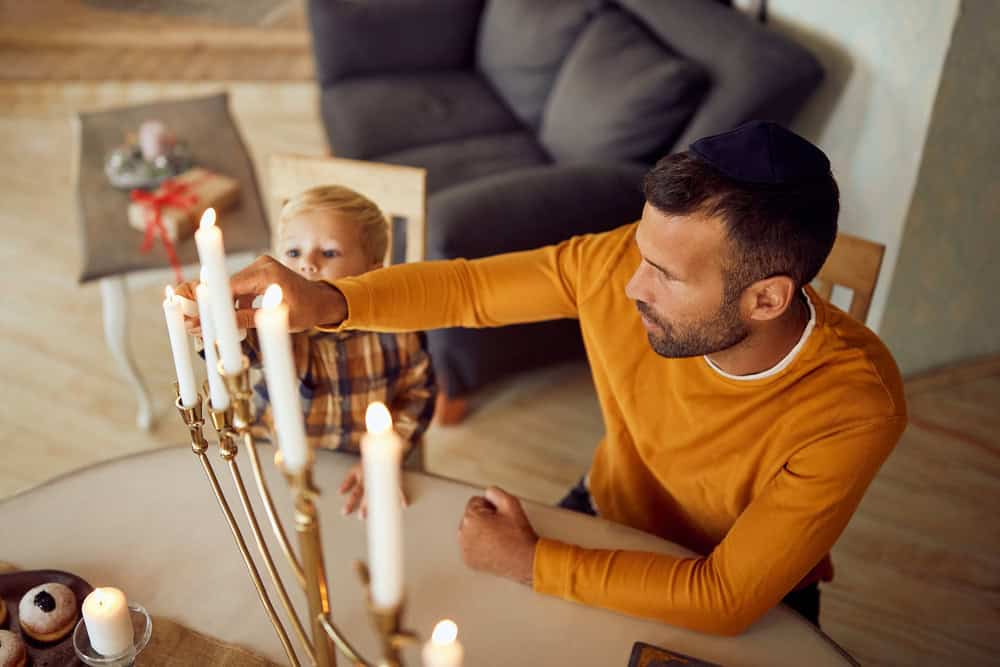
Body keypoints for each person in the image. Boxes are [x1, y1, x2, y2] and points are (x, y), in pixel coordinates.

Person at [220, 121, 906, 635]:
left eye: (665, 275)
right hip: (604, 515)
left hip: (755, 593)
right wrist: (331, 302)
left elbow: (723, 596)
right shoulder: (616, 266)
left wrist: (531, 562)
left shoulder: (855, 406)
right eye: (641, 251)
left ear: (766, 299)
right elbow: (468, 292)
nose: (629, 284)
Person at [186, 185, 437, 515]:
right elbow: (237, 353)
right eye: (293, 253)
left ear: (373, 273)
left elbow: (419, 395)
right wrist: (210, 319)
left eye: (330, 253)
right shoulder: (274, 322)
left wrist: (385, 455)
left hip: (361, 460)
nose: (307, 264)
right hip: (276, 455)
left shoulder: (399, 331)